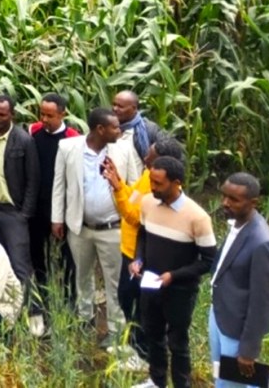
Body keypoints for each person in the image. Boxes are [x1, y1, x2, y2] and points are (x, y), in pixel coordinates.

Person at [51, 107, 141, 345]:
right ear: (100, 129)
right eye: (114, 127)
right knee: (82, 276)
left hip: (113, 229)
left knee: (113, 281)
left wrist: (133, 220)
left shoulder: (123, 149)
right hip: (80, 227)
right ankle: (84, 317)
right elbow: (59, 186)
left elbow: (135, 185)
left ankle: (115, 329)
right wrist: (57, 219)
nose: (119, 130)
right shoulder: (68, 148)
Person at [129, 157, 216, 388]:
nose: (153, 187)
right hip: (150, 284)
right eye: (151, 182)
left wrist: (173, 276)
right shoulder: (147, 203)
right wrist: (138, 259)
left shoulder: (197, 217)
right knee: (153, 335)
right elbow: (143, 235)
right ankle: (157, 381)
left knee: (177, 342)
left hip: (179, 290)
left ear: (176, 183)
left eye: (158, 183)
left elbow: (208, 261)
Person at [104, 137, 187, 369]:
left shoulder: (160, 187)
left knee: (139, 306)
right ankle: (133, 343)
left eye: (150, 154)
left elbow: (134, 216)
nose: (145, 157)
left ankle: (142, 354)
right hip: (129, 251)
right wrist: (121, 184)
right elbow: (134, 198)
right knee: (126, 298)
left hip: (141, 256)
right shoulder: (147, 176)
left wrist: (118, 189)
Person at [208, 173, 269, 388]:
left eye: (234, 200)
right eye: (224, 196)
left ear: (253, 203)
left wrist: (248, 350)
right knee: (220, 375)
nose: (225, 203)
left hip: (237, 328)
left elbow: (263, 303)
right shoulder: (238, 224)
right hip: (220, 314)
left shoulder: (263, 243)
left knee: (229, 384)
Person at [0, 94, 42, 334]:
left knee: (20, 264)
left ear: (12, 115)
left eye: (2, 114)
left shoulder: (23, 140)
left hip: (13, 212)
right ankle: (3, 309)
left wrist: (24, 214)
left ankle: (34, 311)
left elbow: (33, 180)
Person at [29, 93, 81, 305]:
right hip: (38, 207)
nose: (44, 119)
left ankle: (69, 300)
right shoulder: (33, 132)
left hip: (63, 208)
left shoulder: (73, 138)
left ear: (63, 114)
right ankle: (42, 297)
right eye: (42, 114)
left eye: (50, 115)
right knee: (38, 255)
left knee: (68, 257)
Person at [112, 90, 163, 169]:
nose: (115, 108)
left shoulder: (149, 129)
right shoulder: (107, 127)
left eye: (120, 106)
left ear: (134, 108)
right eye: (114, 104)